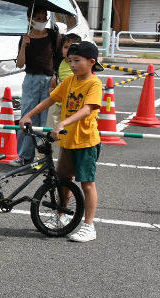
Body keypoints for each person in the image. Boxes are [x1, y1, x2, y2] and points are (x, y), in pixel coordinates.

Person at [19, 41, 103, 243]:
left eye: (77, 60)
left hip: (85, 142)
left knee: (87, 183)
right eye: (69, 61)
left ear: (91, 62)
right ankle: (61, 216)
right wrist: (28, 115)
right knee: (63, 182)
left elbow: (87, 109)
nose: (72, 65)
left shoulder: (94, 83)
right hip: (68, 142)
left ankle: (89, 226)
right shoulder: (69, 81)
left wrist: (62, 122)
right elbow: (50, 99)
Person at [12, 8, 61, 166]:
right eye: (37, 18)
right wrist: (24, 46)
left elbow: (60, 58)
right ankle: (25, 157)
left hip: (49, 80)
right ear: (29, 20)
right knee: (27, 117)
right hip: (31, 79)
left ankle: (41, 157)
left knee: (44, 119)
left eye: (43, 18)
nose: (41, 21)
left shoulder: (53, 35)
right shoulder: (25, 37)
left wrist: (56, 76)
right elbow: (20, 64)